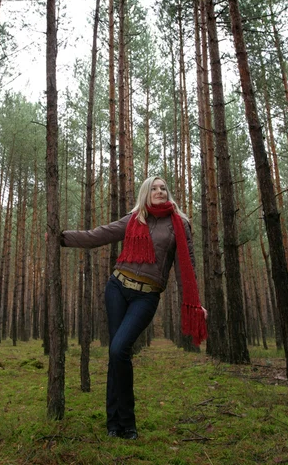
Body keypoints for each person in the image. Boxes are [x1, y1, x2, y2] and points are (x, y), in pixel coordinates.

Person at [60, 176, 207, 440]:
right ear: (145, 193)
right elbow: (99, 235)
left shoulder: (179, 225)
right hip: (117, 288)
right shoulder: (134, 218)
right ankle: (113, 424)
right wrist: (63, 238)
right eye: (154, 187)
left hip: (146, 297)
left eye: (163, 188)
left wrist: (195, 304)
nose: (160, 191)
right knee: (117, 356)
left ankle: (127, 421)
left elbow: (187, 267)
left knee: (119, 349)